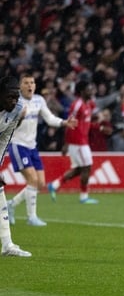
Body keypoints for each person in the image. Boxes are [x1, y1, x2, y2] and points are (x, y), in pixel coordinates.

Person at [7, 73, 77, 226]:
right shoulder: (14, 102)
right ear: (20, 86)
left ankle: (11, 205)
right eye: (26, 83)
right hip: (18, 145)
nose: (30, 85)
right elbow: (8, 126)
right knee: (32, 180)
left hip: (32, 146)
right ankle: (31, 217)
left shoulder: (39, 100)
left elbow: (50, 118)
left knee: (40, 183)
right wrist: (19, 118)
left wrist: (64, 122)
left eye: (32, 82)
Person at [46, 80, 98, 204]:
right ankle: (84, 197)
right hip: (77, 141)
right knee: (87, 167)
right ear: (82, 91)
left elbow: (89, 120)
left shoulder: (89, 104)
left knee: (80, 169)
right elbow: (70, 122)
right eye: (88, 89)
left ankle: (55, 185)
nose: (91, 91)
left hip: (83, 140)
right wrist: (66, 143)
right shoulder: (77, 105)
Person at [0, 76, 32, 257]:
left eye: (16, 97)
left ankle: (7, 245)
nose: (14, 101)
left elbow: (4, 139)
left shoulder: (17, 109)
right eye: (9, 97)